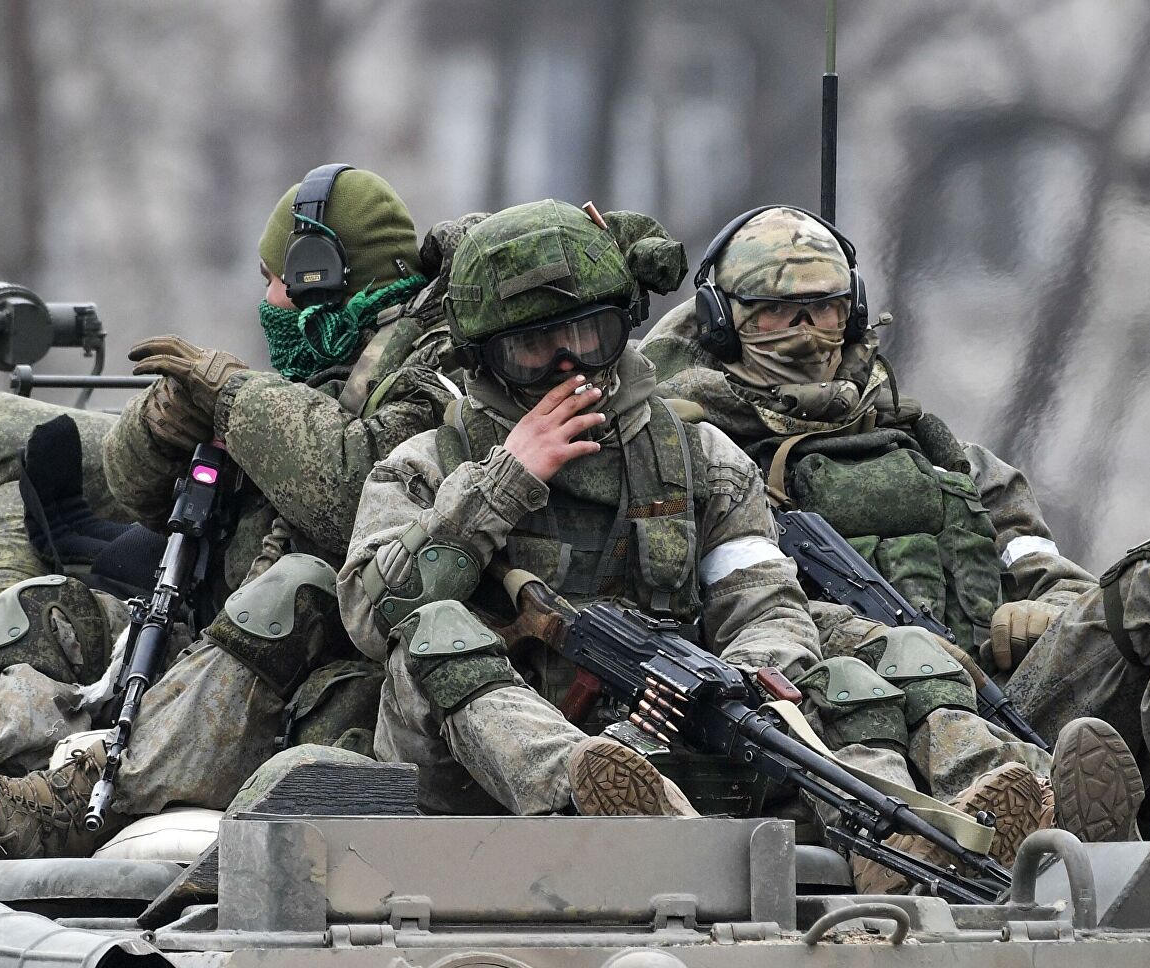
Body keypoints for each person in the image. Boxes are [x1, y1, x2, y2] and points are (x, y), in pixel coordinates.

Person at [336, 198, 1050, 869]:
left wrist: (741, 686)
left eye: (588, 335)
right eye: (533, 349)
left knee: (844, 669)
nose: (568, 364)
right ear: (485, 359)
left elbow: (765, 605)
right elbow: (373, 617)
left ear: (620, 329)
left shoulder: (699, 460)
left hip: (674, 740)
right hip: (473, 780)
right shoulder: (428, 466)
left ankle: (915, 837)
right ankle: (584, 785)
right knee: (436, 635)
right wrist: (503, 484)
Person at [650, 204, 1150, 844]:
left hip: (1011, 707)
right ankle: (1046, 810)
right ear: (722, 322)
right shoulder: (694, 463)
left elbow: (1054, 578)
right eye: (775, 312)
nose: (805, 331)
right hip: (853, 740)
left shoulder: (950, 463)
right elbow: (736, 625)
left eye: (823, 308)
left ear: (851, 314)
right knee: (903, 660)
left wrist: (1043, 614)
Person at [0, 164, 465, 858]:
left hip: (311, 669)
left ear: (320, 277)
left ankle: (78, 798)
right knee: (40, 611)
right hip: (208, 636)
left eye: (275, 278)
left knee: (290, 588)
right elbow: (139, 497)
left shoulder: (430, 373)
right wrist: (162, 430)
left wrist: (235, 396)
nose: (266, 298)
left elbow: (351, 495)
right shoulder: (316, 373)